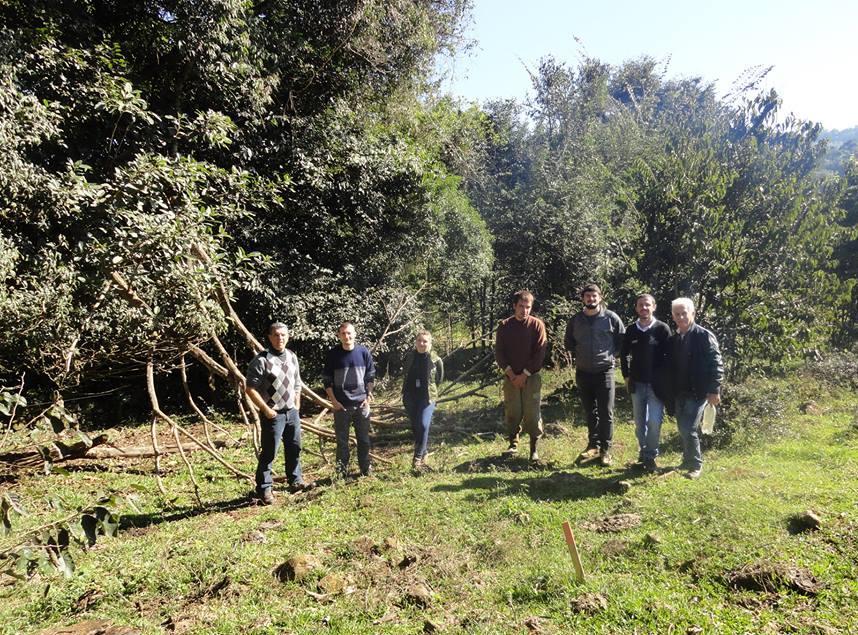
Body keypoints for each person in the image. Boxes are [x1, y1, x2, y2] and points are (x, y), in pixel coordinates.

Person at [245, 321, 312, 505]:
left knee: (295, 447)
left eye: (283, 335)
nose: (280, 338)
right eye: (276, 335)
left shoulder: (291, 356)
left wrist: (297, 403)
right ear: (269, 337)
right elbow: (250, 388)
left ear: (288, 336)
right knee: (269, 452)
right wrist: (266, 410)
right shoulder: (262, 360)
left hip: (291, 412)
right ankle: (264, 488)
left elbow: (297, 382)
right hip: (273, 415)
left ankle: (295, 480)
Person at [564, 284, 625, 466]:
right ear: (583, 298)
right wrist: (581, 355)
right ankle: (593, 445)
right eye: (588, 296)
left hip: (605, 371)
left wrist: (611, 355)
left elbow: (622, 340)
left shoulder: (611, 318)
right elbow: (569, 342)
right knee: (590, 412)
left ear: (601, 297)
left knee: (606, 412)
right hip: (583, 372)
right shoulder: (576, 320)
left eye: (594, 296)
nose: (591, 299)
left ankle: (606, 450)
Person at [668, 297, 724, 479]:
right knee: (682, 427)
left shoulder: (704, 335)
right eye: (677, 314)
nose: (681, 316)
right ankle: (686, 460)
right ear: (673, 316)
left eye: (684, 313)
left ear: (692, 313)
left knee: (688, 428)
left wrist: (714, 389)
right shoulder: (676, 337)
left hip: (699, 391)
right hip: (680, 391)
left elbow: (716, 363)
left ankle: (696, 465)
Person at [620, 293, 672, 473]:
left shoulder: (662, 329)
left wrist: (666, 380)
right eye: (640, 305)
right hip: (637, 384)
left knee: (654, 421)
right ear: (636, 308)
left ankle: (651, 456)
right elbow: (623, 354)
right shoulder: (631, 330)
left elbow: (670, 357)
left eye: (647, 305)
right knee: (639, 422)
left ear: (654, 306)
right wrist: (626, 376)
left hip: (657, 386)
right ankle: (643, 453)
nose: (644, 308)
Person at [494, 290, 548, 462]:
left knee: (532, 413)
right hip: (510, 377)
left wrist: (524, 375)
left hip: (531, 377)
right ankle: (513, 444)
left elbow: (539, 353)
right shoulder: (504, 326)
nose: (524, 310)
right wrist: (511, 374)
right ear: (514, 306)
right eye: (521, 307)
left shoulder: (537, 325)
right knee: (513, 411)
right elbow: (499, 353)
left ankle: (533, 449)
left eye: (528, 307)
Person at [323, 321, 376, 478]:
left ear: (355, 334)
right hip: (341, 406)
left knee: (364, 440)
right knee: (342, 442)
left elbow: (371, 375)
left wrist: (368, 395)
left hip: (361, 404)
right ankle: (341, 473)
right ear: (339, 336)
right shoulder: (333, 354)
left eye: (349, 333)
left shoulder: (363, 352)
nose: (347, 336)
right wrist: (334, 401)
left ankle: (366, 470)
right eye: (343, 333)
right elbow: (327, 380)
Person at [401, 330, 444, 471]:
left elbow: (439, 379)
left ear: (430, 343)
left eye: (425, 341)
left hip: (427, 398)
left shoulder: (436, 360)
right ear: (416, 342)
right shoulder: (409, 357)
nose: (422, 343)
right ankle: (424, 451)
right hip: (410, 397)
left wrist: (432, 392)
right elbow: (405, 374)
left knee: (423, 425)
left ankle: (417, 459)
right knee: (415, 426)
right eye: (419, 340)